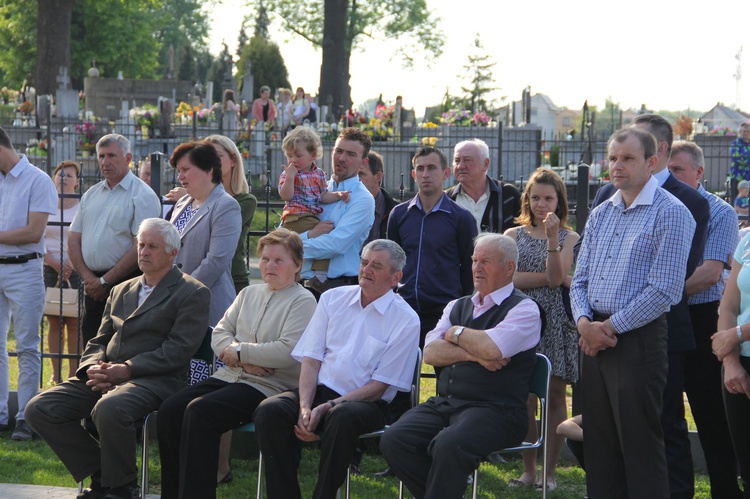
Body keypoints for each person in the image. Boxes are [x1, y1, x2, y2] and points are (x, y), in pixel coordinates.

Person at [25, 218, 210, 499]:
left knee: (110, 408)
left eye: (152, 247)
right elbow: (99, 339)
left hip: (157, 380)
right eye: (141, 245)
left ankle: (122, 488)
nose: (144, 252)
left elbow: (177, 350)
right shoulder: (122, 289)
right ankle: (104, 473)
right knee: (41, 408)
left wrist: (126, 370)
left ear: (173, 253)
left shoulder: (192, 292)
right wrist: (93, 369)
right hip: (106, 374)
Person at [582, 114, 709, 499]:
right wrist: (585, 323)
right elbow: (581, 276)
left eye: (628, 159)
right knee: (599, 444)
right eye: (613, 158)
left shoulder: (673, 213)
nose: (617, 166)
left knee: (640, 444)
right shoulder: (602, 211)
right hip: (591, 337)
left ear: (651, 163)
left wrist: (610, 328)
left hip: (637, 340)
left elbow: (664, 290)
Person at [253, 239, 420, 499]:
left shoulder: (406, 319)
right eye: (364, 262)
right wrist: (306, 407)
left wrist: (327, 408)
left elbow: (378, 388)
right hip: (317, 391)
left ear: (395, 277)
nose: (365, 270)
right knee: (270, 410)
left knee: (341, 418)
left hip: (366, 404)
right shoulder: (332, 298)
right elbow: (311, 359)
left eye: (376, 266)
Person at [157, 228, 317, 499]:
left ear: (298, 265)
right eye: (265, 259)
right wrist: (242, 359)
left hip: (269, 385)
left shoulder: (303, 300)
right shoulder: (249, 294)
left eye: (279, 260)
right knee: (170, 410)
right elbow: (219, 334)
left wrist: (240, 353)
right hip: (232, 375)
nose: (270, 265)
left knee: (200, 412)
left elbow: (286, 351)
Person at [381, 233, 543, 499]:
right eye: (474, 260)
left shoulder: (524, 310)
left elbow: (493, 348)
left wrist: (455, 333)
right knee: (395, 439)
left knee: (449, 445)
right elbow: (431, 352)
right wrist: (474, 355)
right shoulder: (457, 305)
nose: (477, 268)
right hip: (446, 403)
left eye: (486, 261)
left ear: (509, 267)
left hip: (497, 410)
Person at [668, 140, 742, 498]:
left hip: (702, 318)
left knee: (711, 415)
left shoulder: (719, 211)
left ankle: (725, 490)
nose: (672, 178)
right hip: (664, 317)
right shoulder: (658, 206)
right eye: (666, 171)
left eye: (678, 170)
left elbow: (710, 274)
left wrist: (656, 296)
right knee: (667, 415)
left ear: (699, 173)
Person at [504, 168, 579, 491]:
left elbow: (555, 276)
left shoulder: (570, 237)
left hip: (556, 322)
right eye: (535, 197)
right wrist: (554, 278)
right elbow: (510, 279)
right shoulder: (512, 236)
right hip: (521, 318)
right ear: (527, 199)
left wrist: (551, 241)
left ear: (559, 200)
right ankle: (529, 469)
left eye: (548, 198)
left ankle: (550, 473)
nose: (541, 204)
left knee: (555, 395)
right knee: (524, 396)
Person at [68, 134, 161, 346]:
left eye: (111, 155)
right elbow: (73, 239)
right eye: (101, 156)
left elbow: (142, 245)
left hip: (127, 282)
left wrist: (106, 280)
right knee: (92, 346)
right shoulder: (92, 194)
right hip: (92, 283)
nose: (105, 162)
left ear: (128, 158)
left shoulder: (142, 195)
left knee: (121, 348)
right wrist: (89, 279)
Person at [387, 146, 477, 346]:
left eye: (431, 168)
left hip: (445, 311)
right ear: (413, 174)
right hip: (405, 308)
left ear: (446, 173)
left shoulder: (461, 218)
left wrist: (461, 308)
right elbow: (391, 263)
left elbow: (469, 267)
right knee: (403, 374)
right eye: (420, 169)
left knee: (446, 374)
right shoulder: (399, 215)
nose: (425, 174)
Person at [0, 126, 57, 440]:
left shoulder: (38, 180)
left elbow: (34, 232)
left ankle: (27, 416)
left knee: (26, 345)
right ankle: (0, 414)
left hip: (24, 269)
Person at [169, 141, 241, 327]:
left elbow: (216, 260)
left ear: (209, 170)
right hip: (173, 304)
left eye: (186, 169)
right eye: (178, 171)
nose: (180, 176)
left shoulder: (226, 205)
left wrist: (181, 291)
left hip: (207, 304)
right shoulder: (182, 203)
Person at [298, 127, 375, 297]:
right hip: (301, 285)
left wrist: (290, 247)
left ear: (363, 162)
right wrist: (310, 234)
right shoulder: (314, 188)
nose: (342, 158)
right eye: (339, 151)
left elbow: (335, 245)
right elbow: (288, 224)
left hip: (338, 288)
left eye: (351, 154)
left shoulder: (363, 200)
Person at [278, 127, 350, 273]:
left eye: (298, 156)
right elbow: (286, 196)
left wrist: (337, 195)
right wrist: (290, 177)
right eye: (289, 156)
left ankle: (309, 272)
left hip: (310, 216)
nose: (293, 160)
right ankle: (320, 275)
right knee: (326, 236)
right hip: (295, 217)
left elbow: (322, 196)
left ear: (313, 155)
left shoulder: (319, 174)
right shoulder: (289, 174)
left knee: (324, 238)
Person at [711, 232, 750, 499]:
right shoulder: (746, 239)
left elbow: (731, 330)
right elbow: (728, 306)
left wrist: (736, 335)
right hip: (740, 365)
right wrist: (731, 360)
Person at [204, 135, 258, 295]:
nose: (211, 162)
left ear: (233, 160)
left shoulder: (246, 201)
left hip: (233, 279)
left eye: (218, 156)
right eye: (206, 157)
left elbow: (217, 224)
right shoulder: (193, 199)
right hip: (198, 274)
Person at [44, 160, 82, 384]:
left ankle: (73, 373)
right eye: (60, 174)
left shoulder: (82, 205)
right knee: (54, 321)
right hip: (49, 268)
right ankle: (56, 374)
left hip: (76, 269)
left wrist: (71, 265)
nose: (64, 178)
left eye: (69, 175)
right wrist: (55, 264)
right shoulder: (46, 203)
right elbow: (38, 236)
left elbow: (87, 237)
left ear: (77, 182)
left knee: (74, 322)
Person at [446, 138, 522, 234]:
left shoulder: (509, 196)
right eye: (457, 160)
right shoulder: (447, 199)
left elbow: (524, 233)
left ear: (485, 164)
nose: (460, 166)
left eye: (467, 160)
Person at [359, 150, 398, 244]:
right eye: (353, 174)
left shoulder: (396, 212)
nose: (355, 179)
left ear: (378, 176)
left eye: (361, 174)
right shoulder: (341, 206)